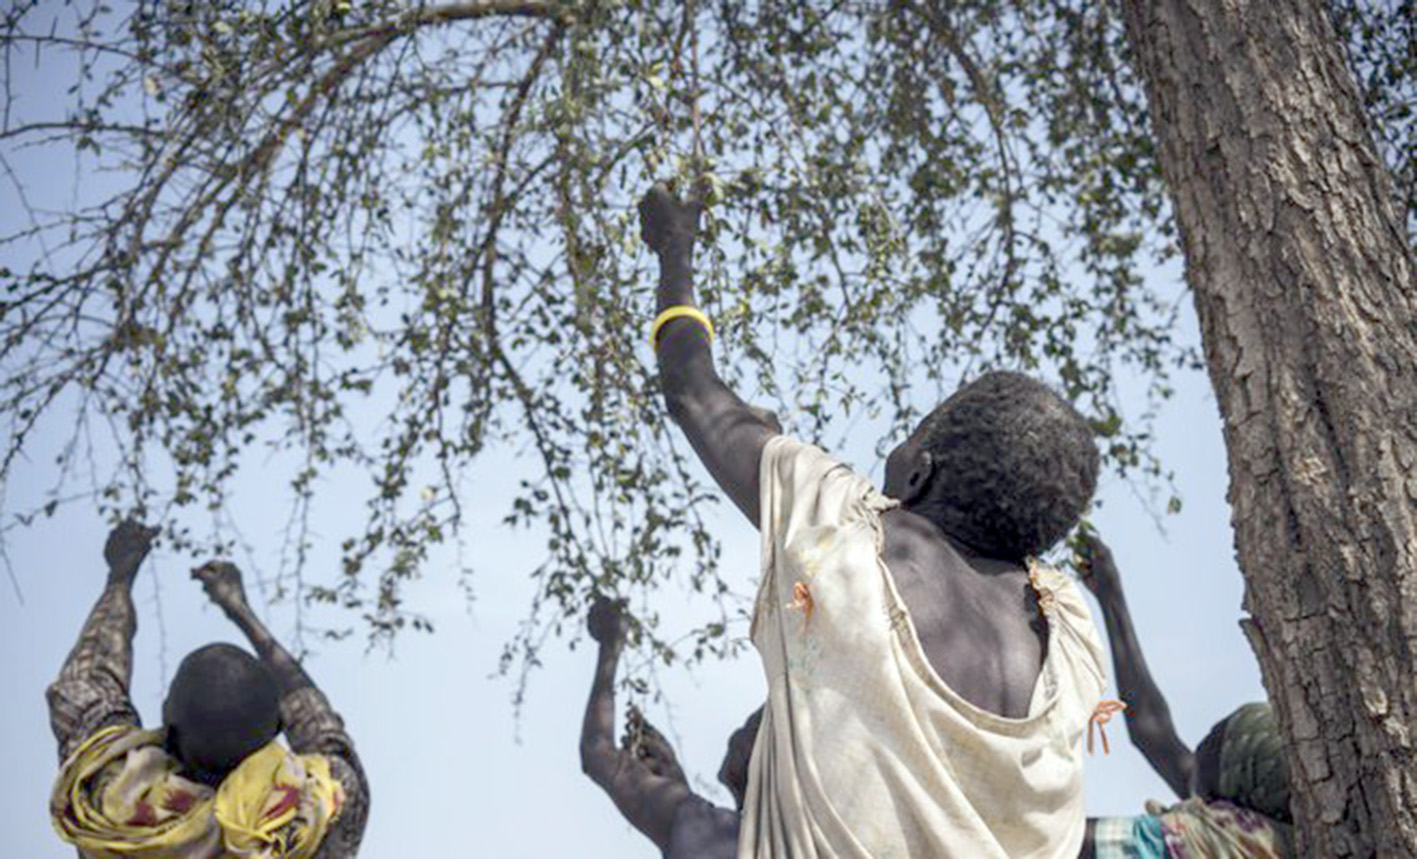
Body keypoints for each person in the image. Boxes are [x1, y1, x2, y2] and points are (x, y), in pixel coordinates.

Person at [640, 183, 1108, 858]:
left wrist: (673, 247)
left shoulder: (845, 538)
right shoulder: (1073, 634)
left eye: (912, 437)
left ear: (919, 472)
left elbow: (692, 390)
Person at [47, 520, 369, 858]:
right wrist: (241, 612)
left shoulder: (106, 795)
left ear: (168, 729)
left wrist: (120, 577)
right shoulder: (322, 806)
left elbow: (83, 685)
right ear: (277, 726)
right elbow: (319, 725)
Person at [1075, 532, 1292, 858]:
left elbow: (1050, 840)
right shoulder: (1259, 820)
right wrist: (1110, 596)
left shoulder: (1233, 844)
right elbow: (1151, 732)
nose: (1193, 778)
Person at [580, 596, 750, 859]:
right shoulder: (811, 836)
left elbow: (597, 751)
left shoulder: (706, 828)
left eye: (741, 738)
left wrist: (610, 646)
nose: (737, 735)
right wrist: (677, 789)